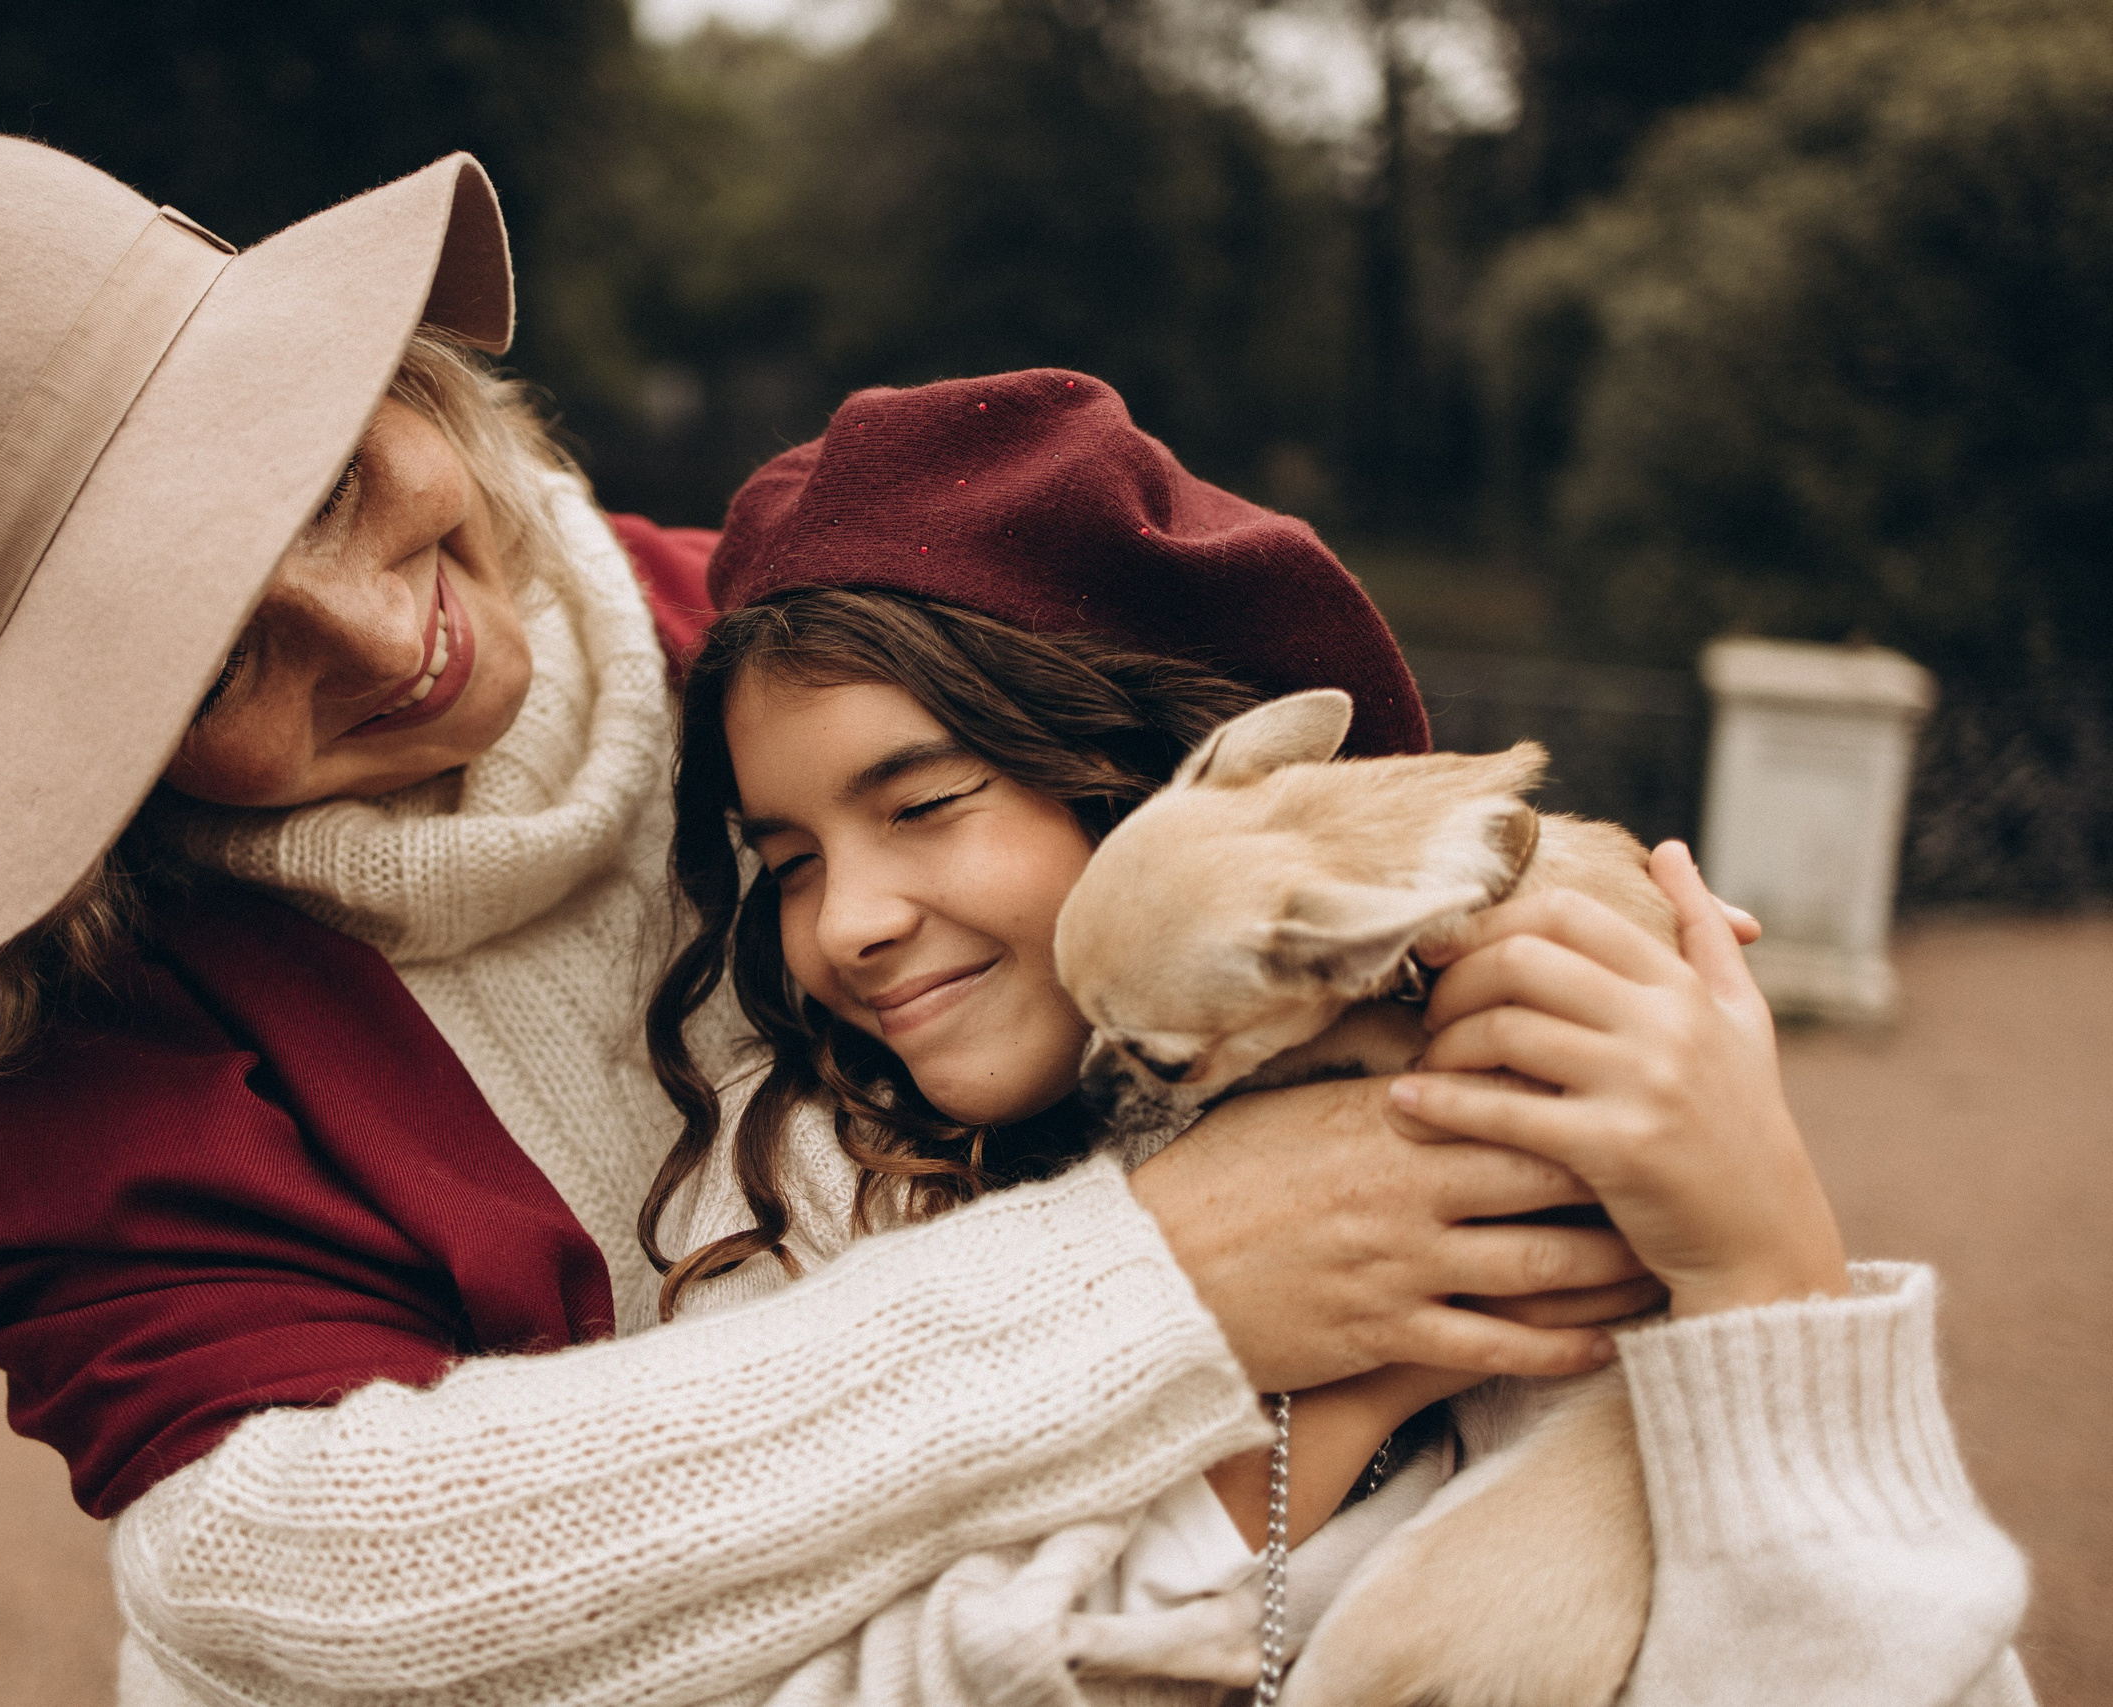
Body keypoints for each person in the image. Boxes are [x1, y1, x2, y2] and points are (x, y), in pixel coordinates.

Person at [0, 136, 1694, 1705]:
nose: (374, 626)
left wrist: (1600, 992)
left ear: (392, 368)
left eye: (319, 471)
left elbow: (1307, 835)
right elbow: (287, 1576)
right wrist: (1171, 1278)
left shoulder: (808, 637)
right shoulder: (40, 1063)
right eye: (197, 658)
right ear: (78, 764)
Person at [641, 370, 2034, 1705]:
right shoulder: (793, 1206)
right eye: (789, 861)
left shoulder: (1501, 1116)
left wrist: (1763, 1267)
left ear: (1141, 778)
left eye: (926, 801)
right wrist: (1337, 1396)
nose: (849, 924)